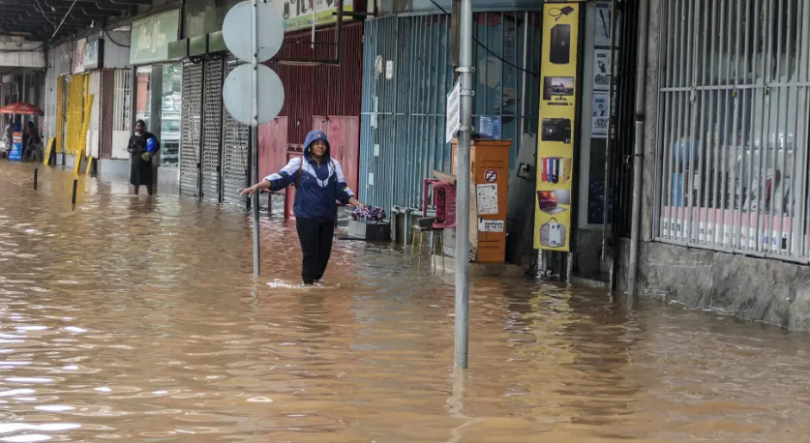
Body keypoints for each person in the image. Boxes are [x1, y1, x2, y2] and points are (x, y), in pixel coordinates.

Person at [238, 130, 364, 285]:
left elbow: (341, 189)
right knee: (310, 255)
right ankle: (307, 290)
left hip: (327, 217)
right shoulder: (298, 164)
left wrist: (356, 203)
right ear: (309, 146)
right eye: (316, 143)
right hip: (306, 217)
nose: (320, 146)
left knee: (324, 256)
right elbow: (280, 178)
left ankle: (315, 285)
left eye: (323, 144)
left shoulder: (333, 165)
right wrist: (257, 186)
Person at [128, 120, 160, 196]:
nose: (140, 128)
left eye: (141, 126)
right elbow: (128, 148)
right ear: (135, 127)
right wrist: (132, 150)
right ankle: (135, 197)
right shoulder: (133, 137)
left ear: (144, 127)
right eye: (138, 126)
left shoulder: (149, 136)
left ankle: (150, 197)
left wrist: (151, 153)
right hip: (136, 163)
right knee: (136, 182)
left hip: (146, 162)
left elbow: (157, 145)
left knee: (148, 181)